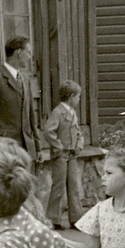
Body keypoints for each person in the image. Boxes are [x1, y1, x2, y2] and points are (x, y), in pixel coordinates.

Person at [0, 35, 41, 161]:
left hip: (26, 151)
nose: (30, 57)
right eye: (28, 52)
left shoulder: (25, 80)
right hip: (4, 152)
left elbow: (31, 118)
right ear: (19, 52)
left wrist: (37, 148)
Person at [43, 80, 86, 230]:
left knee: (73, 186)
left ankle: (76, 220)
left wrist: (79, 146)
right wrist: (59, 147)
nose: (79, 100)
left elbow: (79, 133)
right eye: (78, 96)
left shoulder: (73, 113)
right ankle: (53, 219)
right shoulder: (58, 112)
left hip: (72, 155)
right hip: (60, 156)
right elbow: (48, 131)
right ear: (71, 96)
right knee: (59, 186)